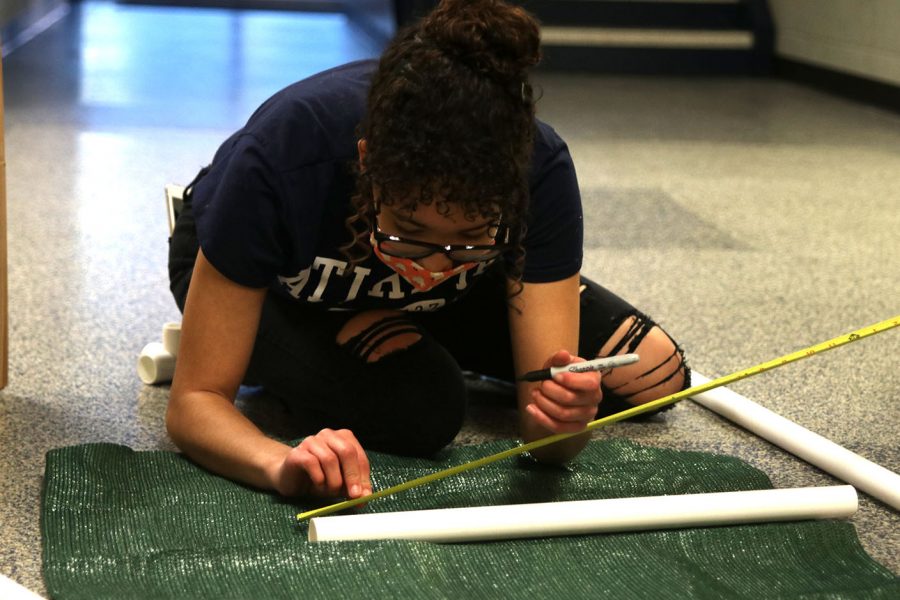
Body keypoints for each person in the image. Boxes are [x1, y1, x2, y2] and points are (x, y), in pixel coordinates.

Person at [166, 0, 689, 504]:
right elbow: (195, 404)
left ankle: (400, 324)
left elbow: (547, 440)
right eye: (410, 232)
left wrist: (564, 422)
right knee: (424, 408)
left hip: (437, 298)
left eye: (471, 238)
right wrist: (279, 464)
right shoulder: (284, 155)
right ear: (367, 164)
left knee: (654, 373)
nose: (428, 272)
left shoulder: (538, 170)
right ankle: (298, 340)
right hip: (273, 282)